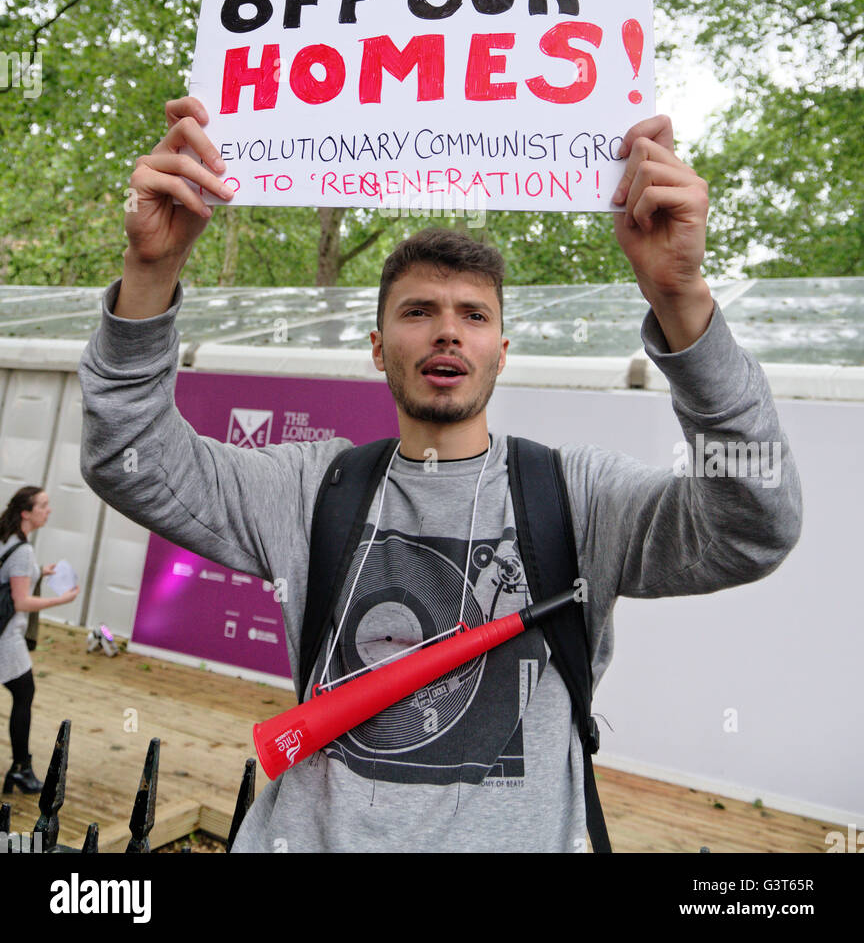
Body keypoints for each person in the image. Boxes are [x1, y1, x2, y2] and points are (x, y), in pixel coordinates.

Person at [77, 97, 802, 853]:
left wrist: (681, 299)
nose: (448, 329)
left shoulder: (577, 497)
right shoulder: (310, 487)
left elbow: (754, 525)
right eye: (418, 310)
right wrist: (149, 270)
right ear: (377, 347)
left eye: (474, 315)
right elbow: (130, 458)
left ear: (501, 350)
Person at [1, 487, 80, 794]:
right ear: (26, 512)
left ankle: (20, 766)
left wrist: (38, 572)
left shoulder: (6, 537)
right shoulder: (23, 551)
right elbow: (21, 602)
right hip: (6, 636)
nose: (49, 510)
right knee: (24, 693)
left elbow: (10, 577)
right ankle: (20, 768)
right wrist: (61, 601)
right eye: (43, 505)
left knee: (22, 693)